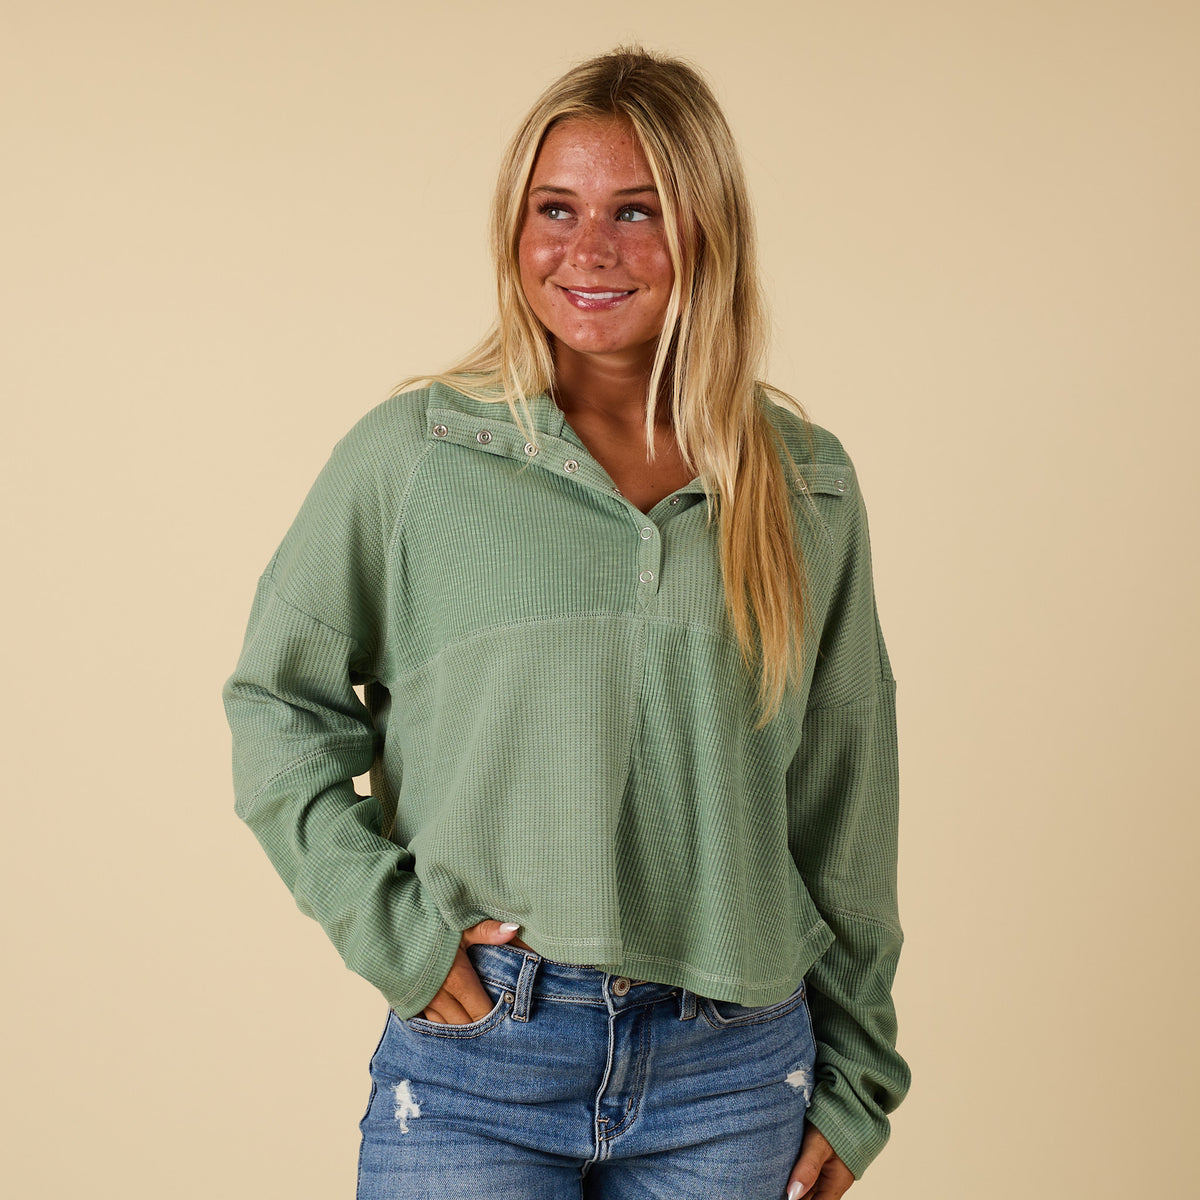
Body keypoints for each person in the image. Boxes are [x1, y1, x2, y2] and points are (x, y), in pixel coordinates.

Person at [223, 46, 910, 1200]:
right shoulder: (415, 460)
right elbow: (274, 706)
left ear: (708, 230)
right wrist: (392, 925)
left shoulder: (806, 487)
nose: (587, 251)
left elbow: (846, 802)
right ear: (514, 227)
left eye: (637, 211)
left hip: (736, 1073)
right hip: (482, 1057)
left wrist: (860, 1074)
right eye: (556, 209)